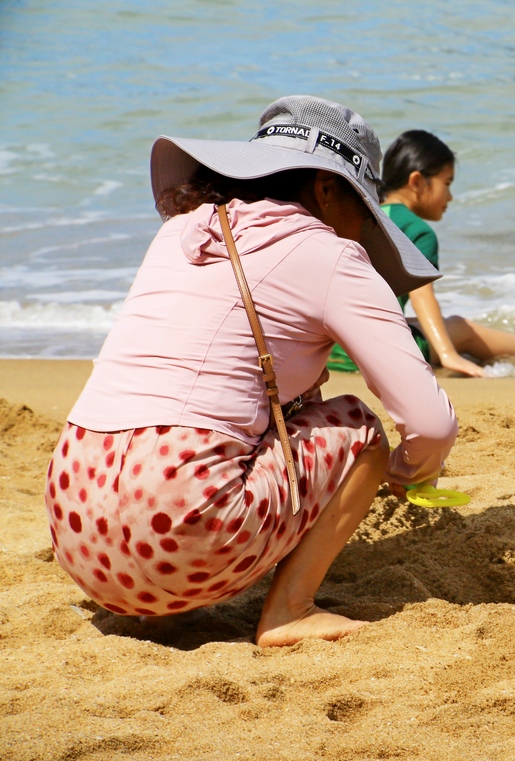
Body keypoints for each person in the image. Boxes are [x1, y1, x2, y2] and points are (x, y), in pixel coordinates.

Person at [45, 96, 458, 647]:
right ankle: (290, 611)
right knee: (360, 430)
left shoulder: (180, 232)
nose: (362, 227)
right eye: (363, 205)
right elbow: (431, 424)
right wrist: (410, 471)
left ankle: (159, 612)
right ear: (325, 187)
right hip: (181, 529)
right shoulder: (330, 255)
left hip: (78, 527)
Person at [327, 130, 515, 378]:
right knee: (462, 328)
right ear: (417, 182)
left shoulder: (365, 214)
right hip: (369, 356)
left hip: (333, 348)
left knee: (421, 324)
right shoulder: (417, 230)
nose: (450, 197)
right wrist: (448, 355)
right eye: (447, 183)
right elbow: (422, 296)